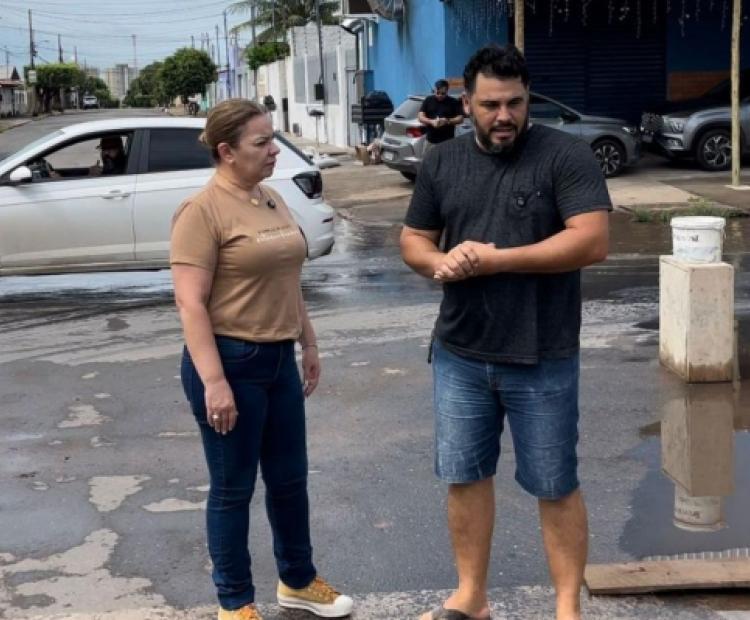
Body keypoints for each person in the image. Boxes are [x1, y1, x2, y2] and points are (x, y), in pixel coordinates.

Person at [400, 45, 611, 620]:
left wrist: (496, 260)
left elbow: (591, 240)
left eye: (515, 103)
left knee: (554, 483)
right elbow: (414, 239)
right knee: (464, 478)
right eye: (490, 104)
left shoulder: (564, 155)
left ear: (528, 99)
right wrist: (440, 262)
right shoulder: (442, 161)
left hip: (542, 353)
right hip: (460, 352)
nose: (504, 116)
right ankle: (471, 598)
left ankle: (567, 608)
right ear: (466, 103)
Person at [170, 99, 353, 620]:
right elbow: (190, 303)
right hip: (231, 362)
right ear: (227, 151)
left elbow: (288, 279)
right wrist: (214, 382)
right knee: (233, 489)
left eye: (272, 138)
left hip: (277, 360)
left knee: (290, 480)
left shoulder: (271, 198)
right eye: (262, 142)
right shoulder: (201, 211)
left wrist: (308, 343)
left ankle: (297, 581)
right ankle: (235, 603)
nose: (274, 150)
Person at [417, 79, 464, 147]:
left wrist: (447, 121)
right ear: (435, 90)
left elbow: (460, 118)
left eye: (443, 93)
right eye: (438, 93)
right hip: (430, 141)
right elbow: (420, 116)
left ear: (447, 91)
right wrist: (431, 121)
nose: (440, 95)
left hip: (448, 142)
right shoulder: (428, 100)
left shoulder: (453, 102)